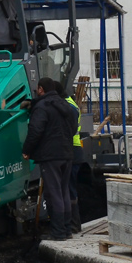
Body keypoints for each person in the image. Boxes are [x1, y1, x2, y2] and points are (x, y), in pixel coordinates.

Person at [22, 77, 78, 240]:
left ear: (41, 89)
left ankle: (58, 232)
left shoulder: (42, 107)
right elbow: (73, 128)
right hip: (67, 154)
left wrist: (27, 150)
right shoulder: (65, 105)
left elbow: (35, 131)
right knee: (63, 191)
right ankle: (67, 230)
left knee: (53, 193)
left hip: (51, 156)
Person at [55, 81, 84, 233]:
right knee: (68, 188)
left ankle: (74, 224)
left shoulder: (69, 107)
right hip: (72, 150)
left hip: (72, 151)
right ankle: (73, 224)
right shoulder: (69, 103)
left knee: (69, 189)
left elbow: (70, 129)